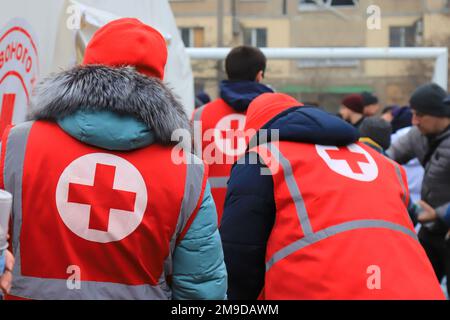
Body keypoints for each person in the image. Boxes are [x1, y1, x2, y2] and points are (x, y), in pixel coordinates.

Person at [0, 18, 227, 300]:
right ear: (158, 83)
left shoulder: (16, 145)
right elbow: (201, 287)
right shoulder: (187, 172)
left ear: (85, 68)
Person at [220, 92, 444, 299]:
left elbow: (239, 254)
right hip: (416, 288)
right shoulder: (381, 160)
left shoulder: (264, 158)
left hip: (324, 290)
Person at [192, 45, 273, 223]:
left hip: (208, 222)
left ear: (228, 73)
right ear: (260, 76)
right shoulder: (277, 115)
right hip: (262, 221)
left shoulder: (198, 116)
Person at [387, 83, 450, 296]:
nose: (414, 121)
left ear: (438, 114)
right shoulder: (418, 135)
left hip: (443, 225)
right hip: (429, 229)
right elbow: (386, 159)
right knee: (417, 287)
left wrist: (441, 214)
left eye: (419, 115)